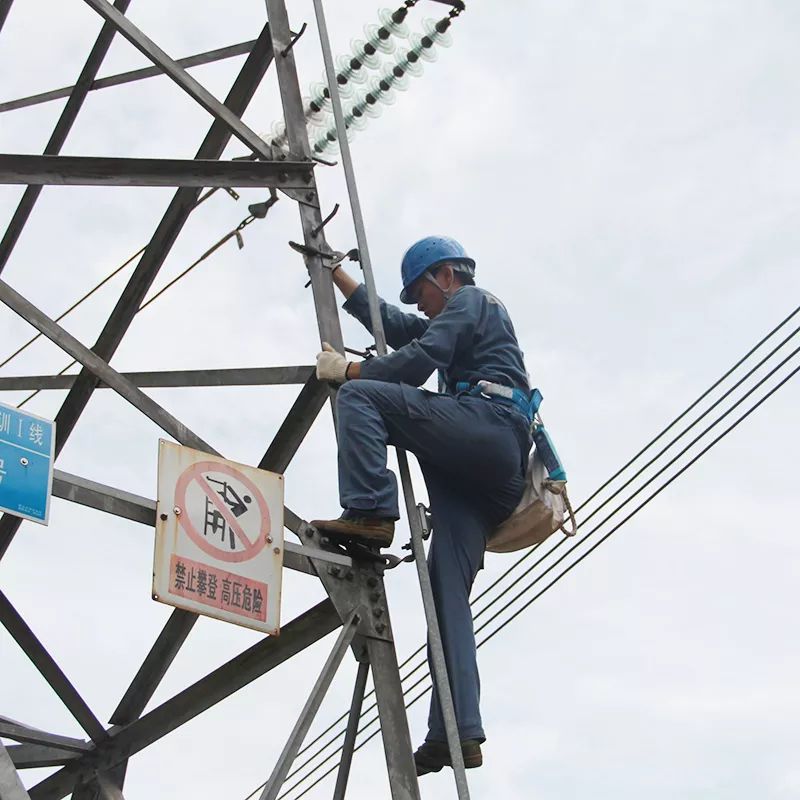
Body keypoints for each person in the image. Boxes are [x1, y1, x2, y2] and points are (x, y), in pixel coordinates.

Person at [311, 235, 533, 776]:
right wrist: (337, 273)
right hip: (480, 477)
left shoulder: (473, 302)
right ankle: (457, 730)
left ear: (446, 277)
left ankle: (370, 510)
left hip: (488, 428)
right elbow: (396, 326)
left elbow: (421, 358)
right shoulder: (453, 315)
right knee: (445, 596)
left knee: (362, 397)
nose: (419, 306)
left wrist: (352, 373)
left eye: (421, 293)